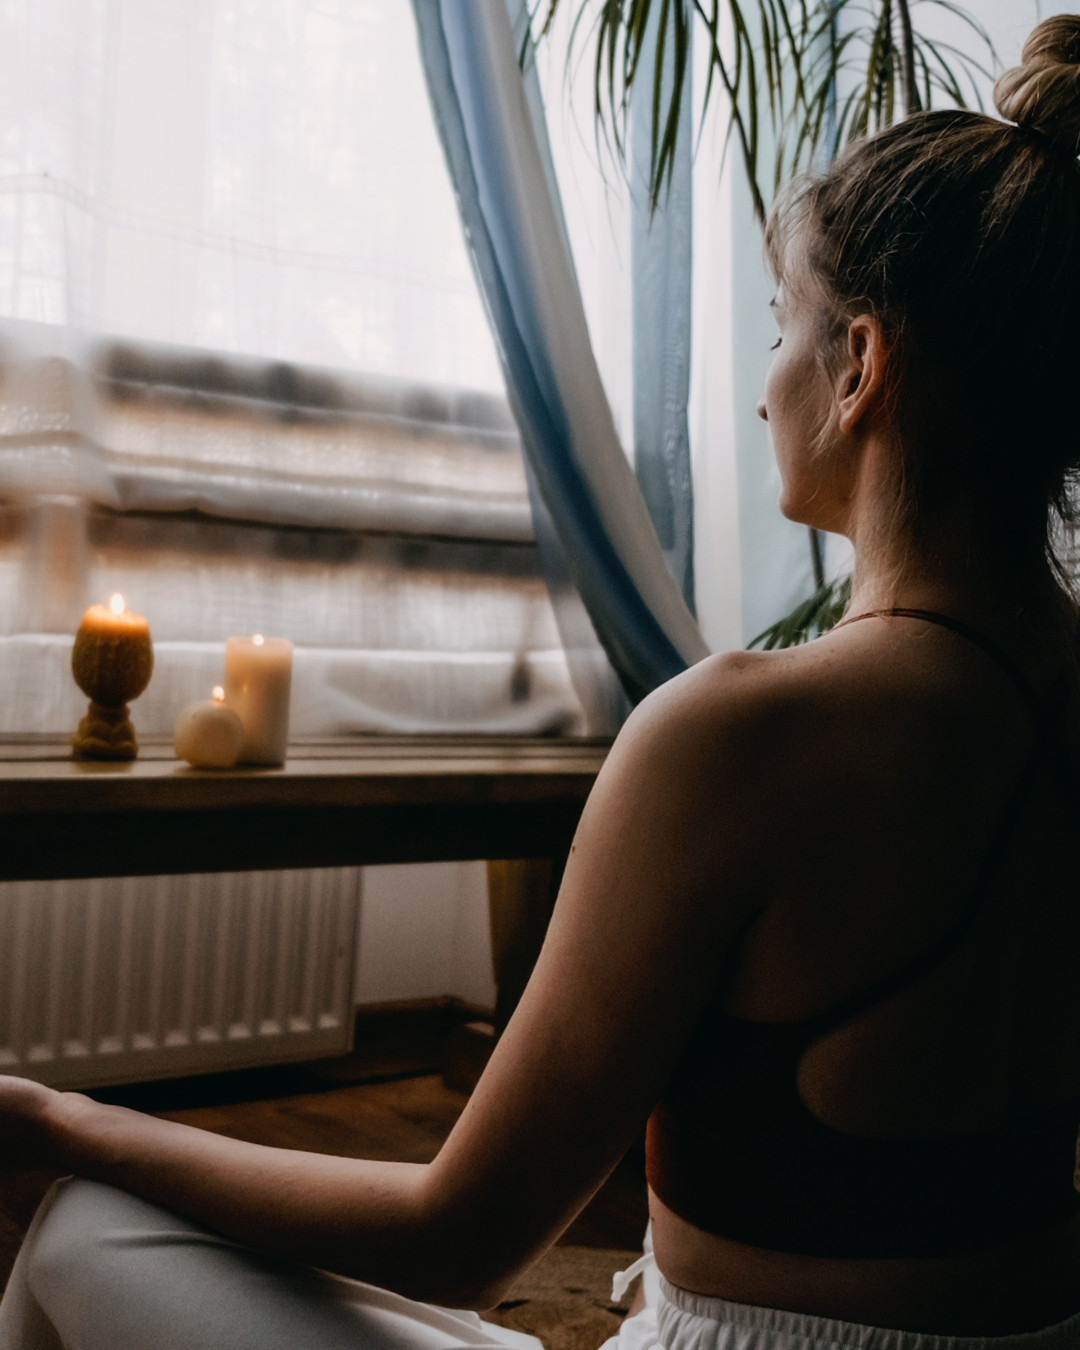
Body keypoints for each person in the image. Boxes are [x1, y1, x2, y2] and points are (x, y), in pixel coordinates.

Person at [3, 14, 1080, 1349]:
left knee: (89, 1219)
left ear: (859, 366)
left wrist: (62, 1117)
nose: (763, 394)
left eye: (780, 327)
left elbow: (458, 1242)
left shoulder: (745, 734)